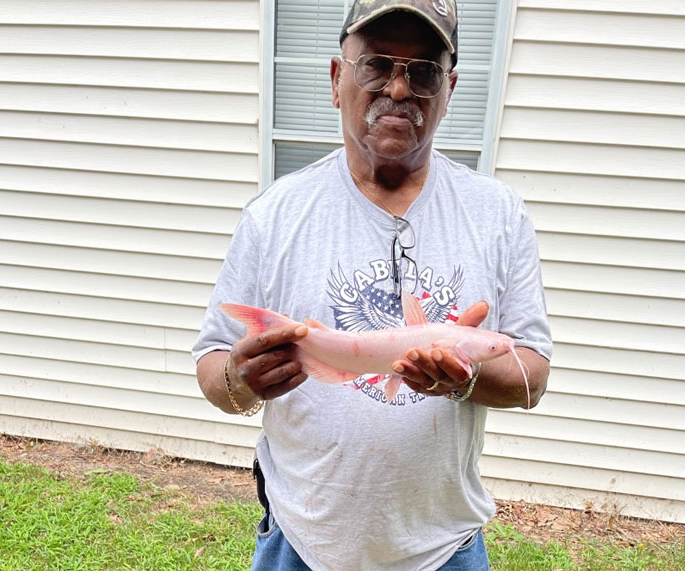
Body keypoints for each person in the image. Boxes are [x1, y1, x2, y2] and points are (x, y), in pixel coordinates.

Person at [193, 1, 552, 569]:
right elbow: (213, 370)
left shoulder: (499, 215)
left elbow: (532, 376)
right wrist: (242, 378)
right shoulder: (274, 216)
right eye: (378, 65)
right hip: (300, 542)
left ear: (449, 89)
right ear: (339, 79)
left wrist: (463, 377)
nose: (401, 88)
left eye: (425, 70)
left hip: (445, 548)